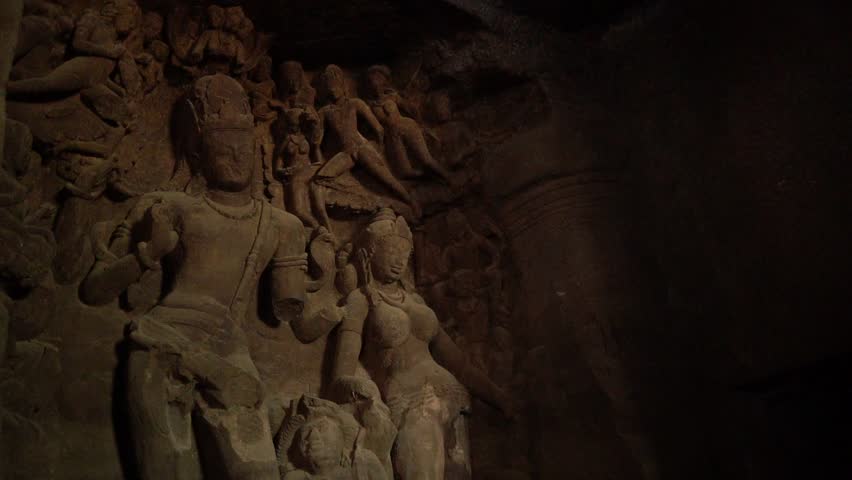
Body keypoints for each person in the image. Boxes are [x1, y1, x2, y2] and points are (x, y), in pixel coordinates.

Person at [80, 75, 314, 480]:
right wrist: (148, 254)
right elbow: (95, 288)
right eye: (223, 146)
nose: (236, 155)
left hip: (229, 353)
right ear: (196, 152)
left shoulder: (282, 225)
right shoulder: (167, 207)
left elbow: (287, 310)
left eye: (243, 143)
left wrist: (318, 272)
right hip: (161, 344)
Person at [331, 208, 514, 479]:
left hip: (451, 395)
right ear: (370, 253)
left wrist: (498, 397)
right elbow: (341, 374)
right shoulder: (361, 300)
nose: (399, 260)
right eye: (391, 252)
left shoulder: (417, 303)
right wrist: (360, 385)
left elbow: (459, 363)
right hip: (408, 402)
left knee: (458, 473)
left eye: (404, 254)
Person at [315, 65, 420, 219]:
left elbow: (378, 128)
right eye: (329, 86)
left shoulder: (355, 103)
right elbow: (318, 140)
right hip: (345, 154)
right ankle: (357, 194)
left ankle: (411, 202)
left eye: (335, 85)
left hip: (361, 148)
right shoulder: (324, 112)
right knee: (321, 177)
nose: (332, 89)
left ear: (342, 84)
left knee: (387, 179)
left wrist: (377, 148)